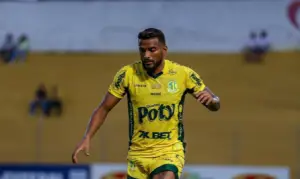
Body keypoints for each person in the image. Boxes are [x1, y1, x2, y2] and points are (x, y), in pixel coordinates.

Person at [72, 28, 220, 179]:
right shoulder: (128, 74)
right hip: (138, 154)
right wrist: (87, 137)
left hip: (169, 150)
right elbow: (104, 108)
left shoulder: (183, 74)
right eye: (142, 51)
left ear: (164, 50)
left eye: (152, 50)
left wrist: (213, 101)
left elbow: (213, 102)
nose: (146, 55)